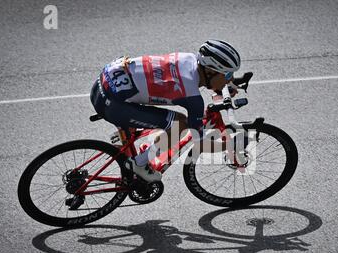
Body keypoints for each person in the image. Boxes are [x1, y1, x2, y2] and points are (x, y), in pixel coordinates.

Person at [90, 39, 241, 182]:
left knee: (158, 121)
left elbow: (187, 82)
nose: (230, 79)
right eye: (228, 75)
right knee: (180, 124)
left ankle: (127, 152)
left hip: (103, 83)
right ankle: (140, 164)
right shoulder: (192, 97)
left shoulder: (188, 59)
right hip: (113, 104)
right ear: (210, 71)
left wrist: (225, 86)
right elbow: (200, 144)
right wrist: (230, 145)